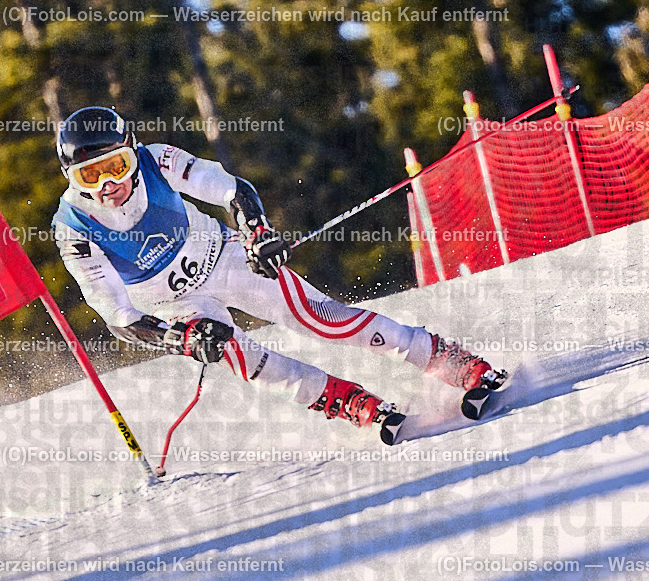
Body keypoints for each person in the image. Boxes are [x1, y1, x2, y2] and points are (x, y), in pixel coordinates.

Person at [51, 107, 500, 444]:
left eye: (116, 167)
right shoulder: (73, 228)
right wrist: (177, 339)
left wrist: (256, 232)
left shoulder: (158, 160)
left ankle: (454, 362)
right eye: (89, 176)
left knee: (322, 319)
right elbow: (117, 315)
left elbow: (229, 187)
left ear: (133, 153)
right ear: (72, 178)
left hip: (222, 256)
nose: (106, 185)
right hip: (174, 305)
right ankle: (349, 401)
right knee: (245, 361)